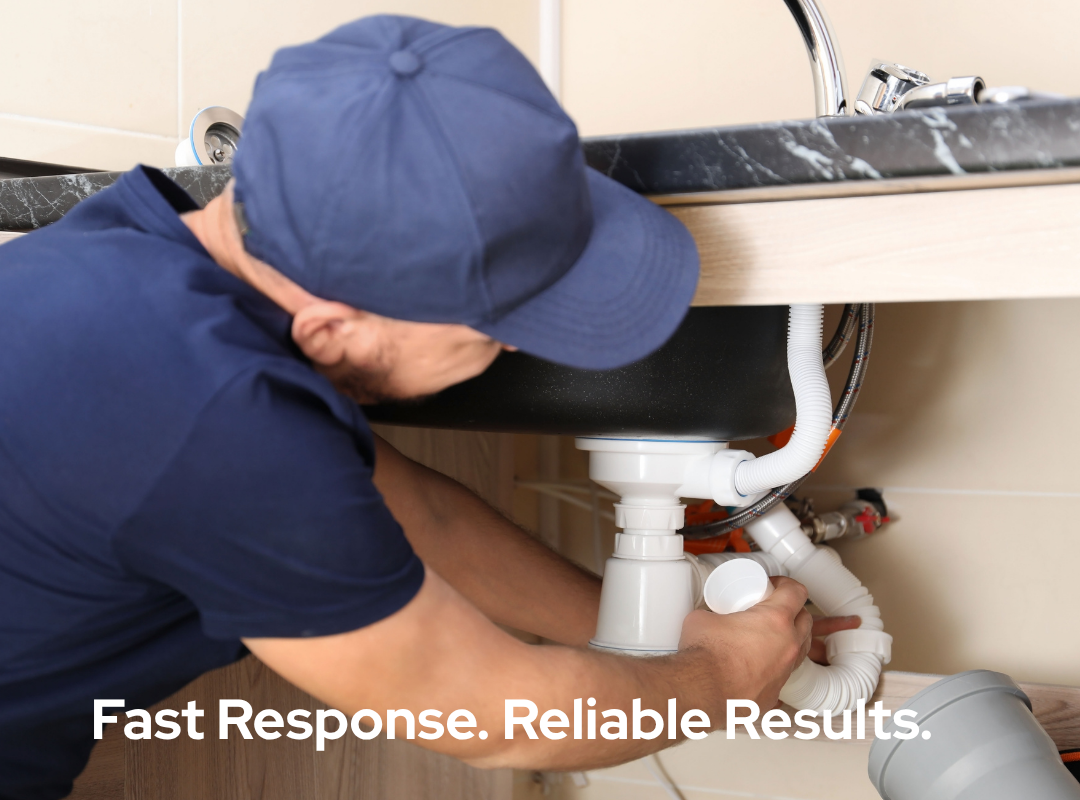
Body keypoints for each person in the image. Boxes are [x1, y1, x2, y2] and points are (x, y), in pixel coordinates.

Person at [0, 15, 858, 800]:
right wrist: (720, 679)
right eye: (499, 326)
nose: (519, 348)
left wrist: (666, 637)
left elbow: (422, 516)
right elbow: (499, 714)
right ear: (331, 328)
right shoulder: (221, 424)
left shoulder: (121, 250)